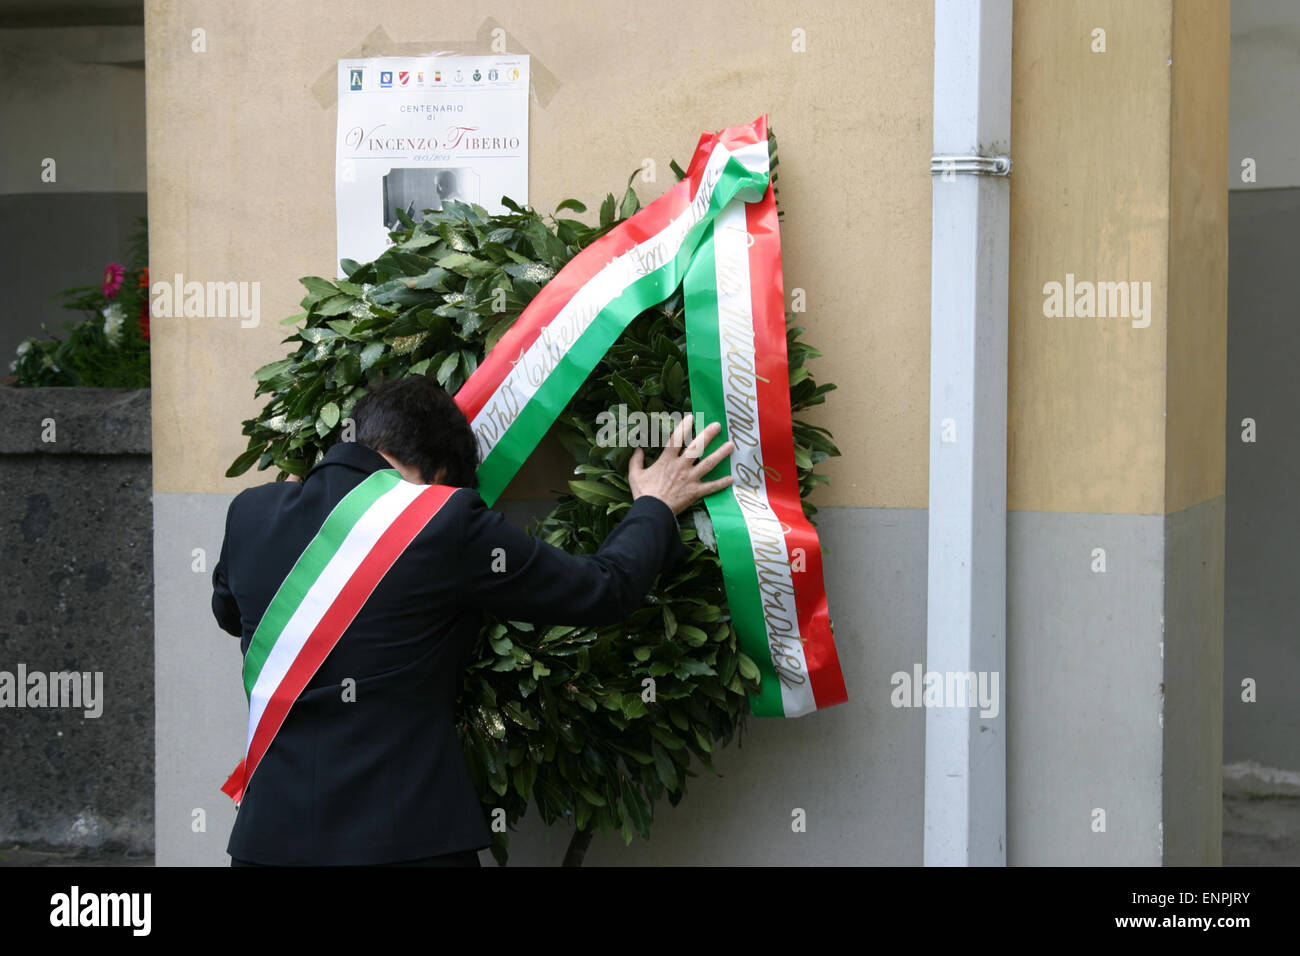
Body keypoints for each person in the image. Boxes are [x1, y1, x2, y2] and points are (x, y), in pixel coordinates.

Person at [211, 375, 734, 866]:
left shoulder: (251, 513)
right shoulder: (444, 518)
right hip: (406, 846)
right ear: (441, 474)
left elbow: (230, 614)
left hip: (266, 844)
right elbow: (601, 589)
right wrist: (656, 505)